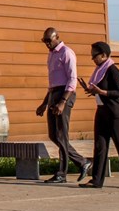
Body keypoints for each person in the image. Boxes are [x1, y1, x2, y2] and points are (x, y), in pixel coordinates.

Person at [79, 41, 119, 189]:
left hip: (115, 113)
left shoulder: (112, 70)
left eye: (95, 55)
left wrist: (102, 92)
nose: (93, 59)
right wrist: (90, 90)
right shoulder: (99, 70)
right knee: (100, 145)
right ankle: (96, 180)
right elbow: (98, 89)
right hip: (101, 111)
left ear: (104, 55)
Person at [36, 27, 91, 183]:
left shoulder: (67, 52)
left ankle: (62, 173)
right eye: (44, 41)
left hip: (64, 95)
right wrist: (44, 103)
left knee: (61, 135)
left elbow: (72, 79)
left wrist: (63, 102)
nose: (47, 43)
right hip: (54, 94)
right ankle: (82, 162)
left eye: (49, 40)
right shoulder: (51, 55)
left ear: (57, 37)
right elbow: (52, 83)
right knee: (54, 135)